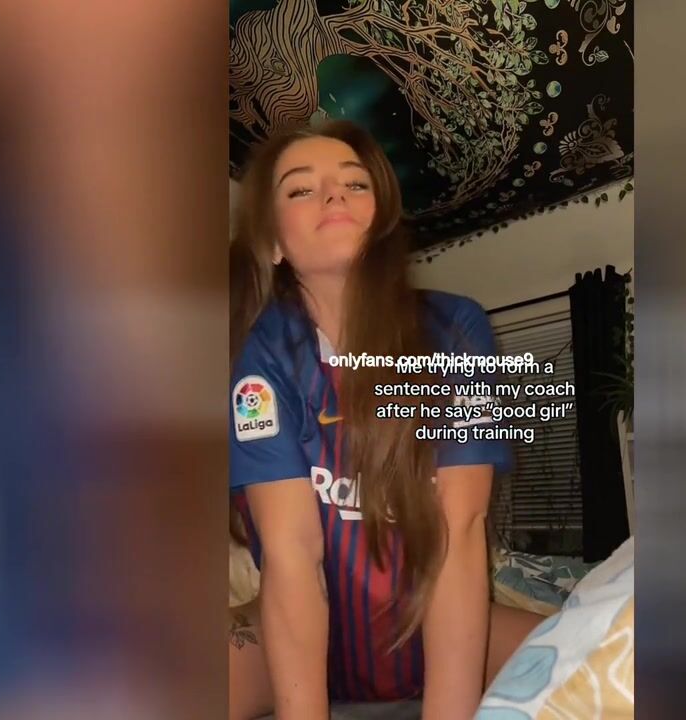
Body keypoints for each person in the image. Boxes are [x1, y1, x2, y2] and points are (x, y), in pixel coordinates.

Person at [227, 120, 544, 720]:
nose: (335, 195)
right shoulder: (261, 360)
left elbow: (460, 528)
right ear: (273, 243)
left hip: (430, 621)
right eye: (301, 189)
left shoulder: (458, 329)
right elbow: (292, 553)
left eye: (356, 183)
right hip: (297, 639)